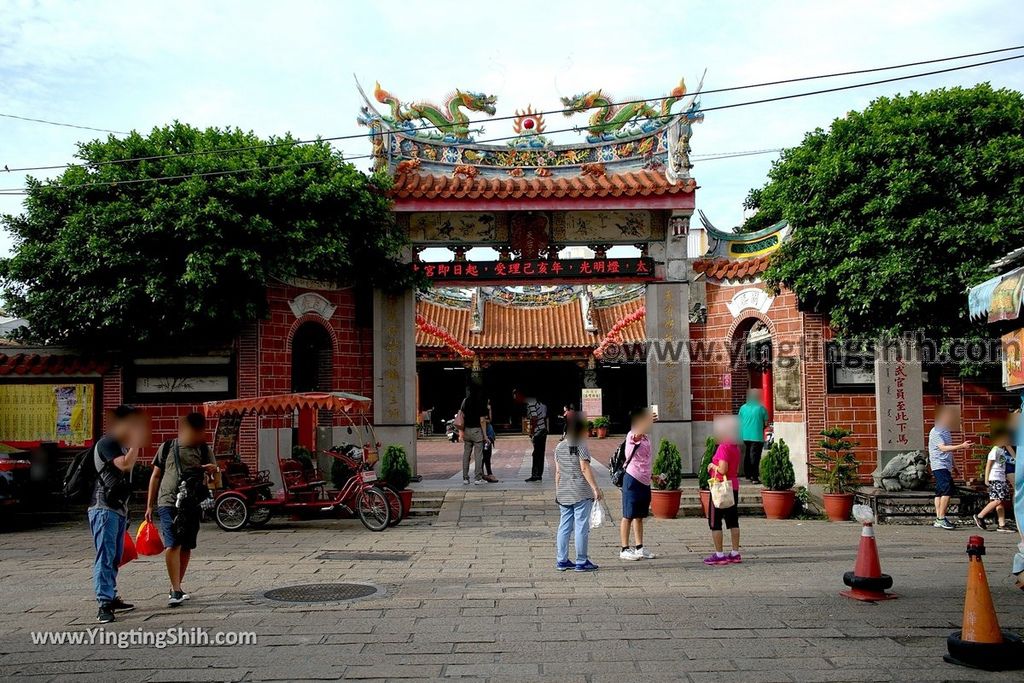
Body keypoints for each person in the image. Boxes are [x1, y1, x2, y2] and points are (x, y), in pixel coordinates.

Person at [145, 413, 218, 607]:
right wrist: (149, 505)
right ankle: (175, 589)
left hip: (191, 503)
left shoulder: (204, 449)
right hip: (168, 501)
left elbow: (215, 482)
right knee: (173, 544)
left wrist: (213, 471)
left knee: (186, 545)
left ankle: (177, 586)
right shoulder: (168, 447)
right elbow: (155, 476)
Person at [90, 405, 148, 624]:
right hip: (102, 508)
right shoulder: (107, 443)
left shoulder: (122, 446)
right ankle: (104, 603)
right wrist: (135, 444)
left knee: (115, 556)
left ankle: (111, 595)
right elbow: (124, 466)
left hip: (118, 508)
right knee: (106, 555)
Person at [554, 418, 602, 572]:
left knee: (564, 526)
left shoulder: (559, 447)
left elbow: (558, 472)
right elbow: (584, 468)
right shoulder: (579, 444)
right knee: (581, 526)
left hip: (564, 491)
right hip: (580, 490)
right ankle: (581, 561)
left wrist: (558, 490)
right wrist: (595, 488)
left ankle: (562, 560)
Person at [705, 415, 742, 565]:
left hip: (720, 488)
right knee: (733, 521)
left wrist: (712, 466)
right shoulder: (735, 446)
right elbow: (736, 469)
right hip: (733, 486)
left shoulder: (723, 446)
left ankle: (719, 554)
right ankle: (735, 552)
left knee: (715, 522)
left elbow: (723, 469)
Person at [619, 407, 655, 561]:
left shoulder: (646, 437)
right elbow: (637, 435)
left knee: (639, 515)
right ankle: (624, 548)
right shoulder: (633, 434)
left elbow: (645, 460)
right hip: (632, 478)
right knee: (628, 515)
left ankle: (639, 547)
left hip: (644, 480)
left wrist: (653, 476)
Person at [928, 406, 972, 530]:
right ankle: (941, 518)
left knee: (940, 491)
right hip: (939, 465)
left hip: (944, 465)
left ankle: (938, 518)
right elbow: (943, 448)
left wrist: (955, 466)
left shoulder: (946, 431)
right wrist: (962, 446)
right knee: (947, 490)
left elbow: (949, 452)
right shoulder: (936, 431)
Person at [973, 426, 1014, 533]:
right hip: (995, 478)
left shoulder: (1002, 450)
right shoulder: (995, 450)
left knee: (1000, 502)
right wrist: (987, 479)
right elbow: (988, 465)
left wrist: (1008, 447)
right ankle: (980, 516)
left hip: (1001, 478)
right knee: (998, 500)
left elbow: (1015, 457)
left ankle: (1002, 524)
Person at [515, 389, 548, 483]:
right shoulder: (539, 402)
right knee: (540, 454)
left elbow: (534, 417)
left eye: (516, 395)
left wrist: (532, 432)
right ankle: (538, 475)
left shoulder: (531, 402)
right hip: (543, 430)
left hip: (538, 431)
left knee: (536, 454)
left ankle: (535, 475)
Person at [738, 389, 770, 483]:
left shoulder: (743, 407)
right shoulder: (761, 408)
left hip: (744, 435)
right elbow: (766, 423)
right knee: (755, 457)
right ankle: (754, 477)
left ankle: (747, 474)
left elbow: (739, 420)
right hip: (757, 436)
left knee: (747, 454)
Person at [460, 383, 488, 485]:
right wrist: (485, 435)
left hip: (467, 430)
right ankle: (478, 478)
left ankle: (465, 478)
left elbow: (461, 415)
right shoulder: (481, 402)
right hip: (476, 430)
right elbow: (482, 420)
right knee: (478, 455)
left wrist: (461, 431)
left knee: (466, 454)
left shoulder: (465, 401)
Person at [480, 399, 498, 483]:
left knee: (487, 454)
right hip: (482, 433)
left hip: (489, 433)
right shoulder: (478, 407)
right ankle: (482, 473)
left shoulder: (488, 407)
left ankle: (488, 473)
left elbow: (490, 420)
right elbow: (481, 420)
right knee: (482, 455)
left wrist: (489, 409)